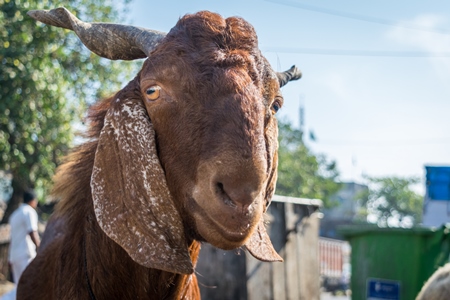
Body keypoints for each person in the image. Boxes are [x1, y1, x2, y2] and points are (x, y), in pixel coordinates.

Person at [8, 190, 40, 284]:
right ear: (33, 201)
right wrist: (40, 247)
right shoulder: (29, 212)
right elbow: (32, 232)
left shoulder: (14, 214)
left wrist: (9, 257)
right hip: (25, 255)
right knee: (29, 286)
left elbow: (13, 237)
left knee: (19, 287)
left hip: (14, 256)